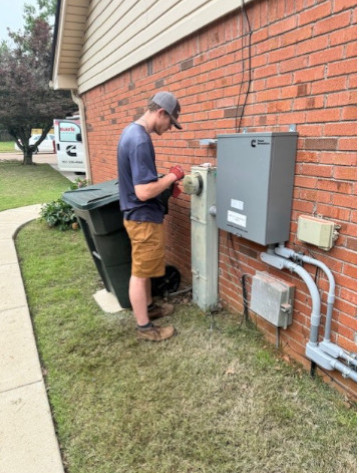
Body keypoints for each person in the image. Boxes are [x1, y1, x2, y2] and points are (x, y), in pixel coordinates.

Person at [117, 91, 184, 342]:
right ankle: (145, 327)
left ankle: (149, 308)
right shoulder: (140, 140)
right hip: (142, 217)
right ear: (161, 113)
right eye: (170, 123)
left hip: (138, 216)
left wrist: (165, 185)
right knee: (140, 272)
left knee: (142, 267)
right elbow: (143, 191)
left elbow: (142, 182)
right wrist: (172, 176)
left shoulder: (131, 132)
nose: (169, 128)